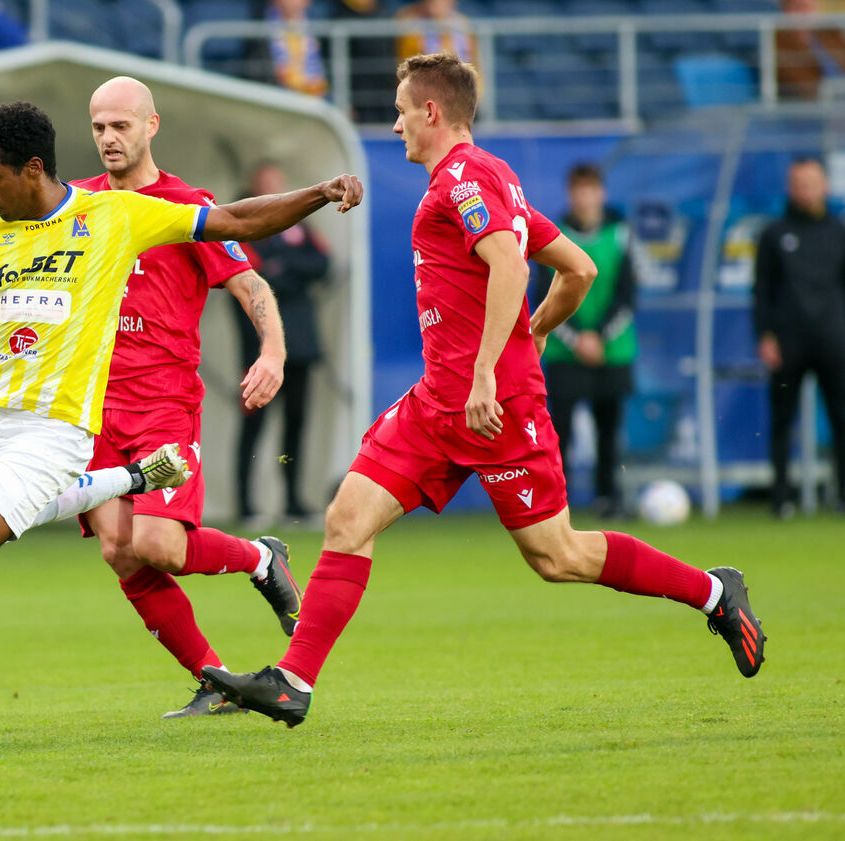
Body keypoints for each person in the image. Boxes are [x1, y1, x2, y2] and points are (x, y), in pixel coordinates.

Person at [202, 53, 766, 729]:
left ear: (432, 112)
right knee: (346, 518)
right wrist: (532, 333)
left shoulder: (466, 178)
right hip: (438, 403)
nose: (396, 122)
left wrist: (489, 368)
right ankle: (293, 680)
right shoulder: (489, 177)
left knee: (557, 557)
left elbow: (508, 263)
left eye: (403, 109)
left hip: (494, 407)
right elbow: (576, 269)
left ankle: (715, 592)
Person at [0, 100, 363, 747]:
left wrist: (318, 193)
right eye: (99, 125)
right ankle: (199, 641)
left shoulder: (116, 216)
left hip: (68, 431)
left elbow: (233, 222)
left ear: (32, 168)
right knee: (120, 549)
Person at [0, 77, 305, 720]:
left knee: (156, 544)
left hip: (164, 404)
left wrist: (273, 352)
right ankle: (213, 677)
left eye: (121, 126)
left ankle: (262, 557)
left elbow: (248, 281)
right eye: (98, 128)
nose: (108, 139)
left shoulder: (181, 205)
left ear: (152, 125)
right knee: (121, 553)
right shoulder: (72, 206)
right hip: (88, 414)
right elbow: (18, 282)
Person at [532, 163, 637, 519]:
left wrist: (599, 337)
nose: (585, 197)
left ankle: (609, 498)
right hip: (566, 352)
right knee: (559, 434)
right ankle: (557, 504)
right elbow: (544, 297)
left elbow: (628, 296)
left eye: (591, 190)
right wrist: (577, 339)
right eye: (579, 190)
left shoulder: (620, 234)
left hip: (612, 350)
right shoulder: (553, 234)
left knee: (609, 430)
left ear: (601, 194)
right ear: (570, 194)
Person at [235, 162, 330, 524]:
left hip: (300, 344)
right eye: (267, 185)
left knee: (296, 422)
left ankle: (292, 500)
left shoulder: (300, 226)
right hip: (256, 347)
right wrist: (289, 268)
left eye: (279, 184)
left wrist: (283, 266)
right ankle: (246, 505)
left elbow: (323, 263)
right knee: (254, 424)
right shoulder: (243, 226)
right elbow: (254, 274)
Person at [753, 156, 845, 517]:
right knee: (781, 420)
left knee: (842, 417)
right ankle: (782, 497)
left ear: (825, 185)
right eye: (797, 183)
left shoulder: (839, 232)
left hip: (833, 340)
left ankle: (842, 494)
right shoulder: (775, 233)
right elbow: (761, 289)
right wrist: (765, 335)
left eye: (811, 182)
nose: (804, 189)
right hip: (788, 342)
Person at [776, 0, 845, 100]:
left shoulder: (832, 33)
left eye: (810, 7)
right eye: (799, 7)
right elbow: (801, 85)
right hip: (819, 104)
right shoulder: (779, 42)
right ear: (786, 10)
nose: (805, 13)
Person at [267, 0, 329, 98]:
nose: (295, 3)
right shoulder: (262, 25)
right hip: (279, 94)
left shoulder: (317, 23)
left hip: (315, 93)